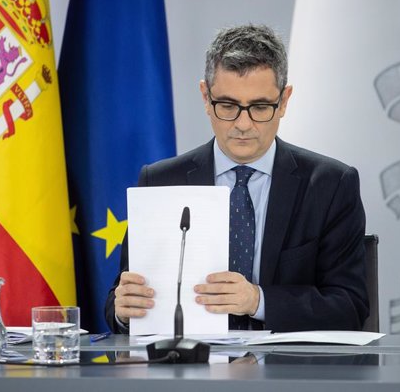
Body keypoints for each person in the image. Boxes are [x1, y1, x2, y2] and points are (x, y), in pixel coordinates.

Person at [105, 24, 368, 333]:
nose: (243, 124)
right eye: (228, 106)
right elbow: (117, 306)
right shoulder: (160, 180)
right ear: (205, 97)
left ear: (284, 101)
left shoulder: (330, 185)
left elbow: (350, 306)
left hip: (287, 374)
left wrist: (258, 300)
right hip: (189, 374)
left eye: (259, 107)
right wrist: (124, 310)